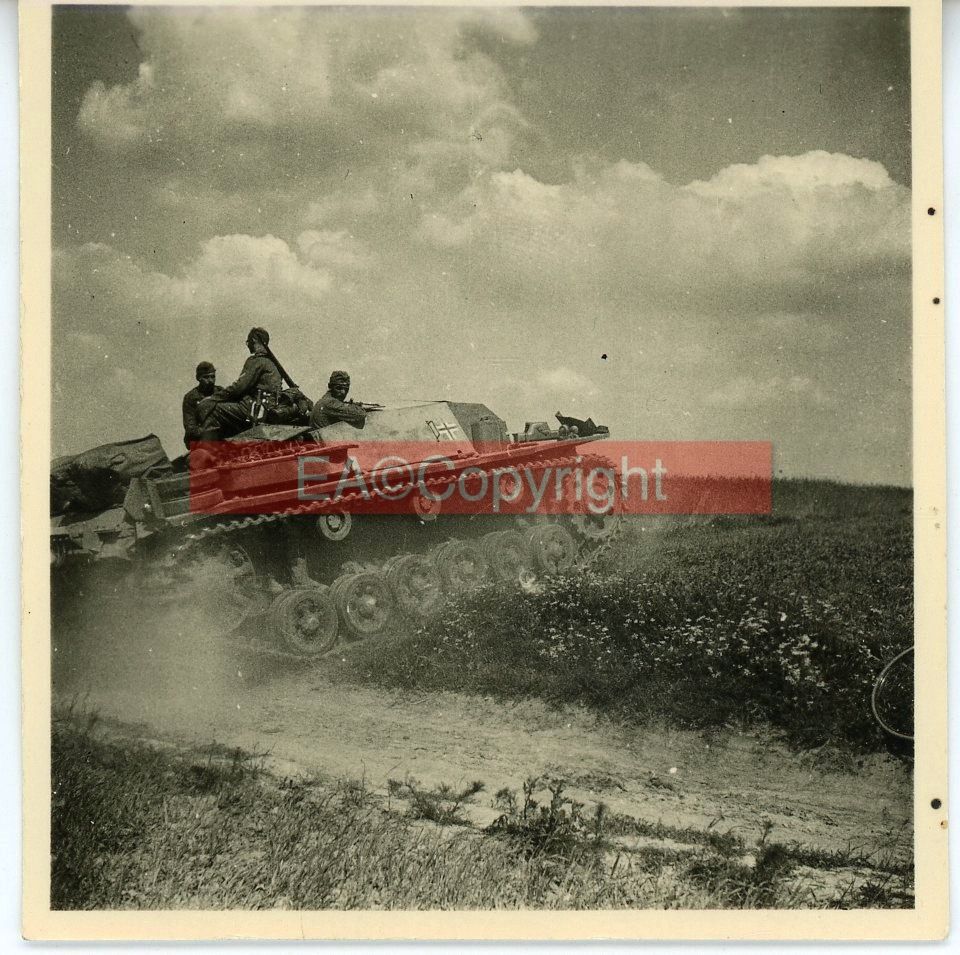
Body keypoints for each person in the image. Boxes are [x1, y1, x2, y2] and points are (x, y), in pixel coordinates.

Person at [198, 327, 283, 439]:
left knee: (213, 409)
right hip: (267, 408)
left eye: (248, 342)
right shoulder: (271, 362)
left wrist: (213, 399)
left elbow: (238, 387)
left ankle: (210, 446)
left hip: (256, 409)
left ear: (253, 341)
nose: (248, 345)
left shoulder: (256, 361)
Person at [182, 361, 223, 448]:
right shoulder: (191, 398)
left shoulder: (220, 391)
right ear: (198, 378)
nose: (210, 381)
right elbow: (191, 429)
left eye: (213, 377)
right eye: (206, 377)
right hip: (200, 439)